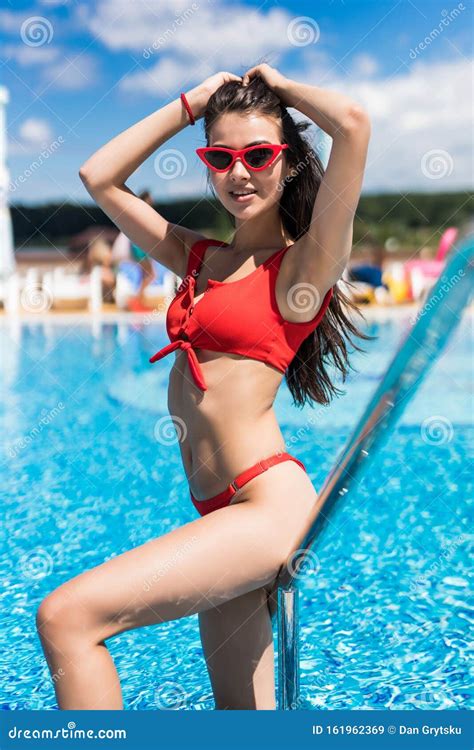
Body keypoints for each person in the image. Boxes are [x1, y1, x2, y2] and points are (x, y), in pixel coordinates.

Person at [37, 65, 371, 710]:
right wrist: (191, 103)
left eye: (258, 154)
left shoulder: (304, 265)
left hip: (264, 507)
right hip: (220, 509)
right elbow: (98, 177)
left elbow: (354, 125)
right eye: (221, 157)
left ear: (290, 162)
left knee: (68, 619)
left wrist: (277, 83)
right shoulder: (200, 258)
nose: (239, 172)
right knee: (240, 720)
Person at [111, 189, 157, 311]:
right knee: (150, 274)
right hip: (136, 247)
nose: (153, 202)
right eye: (151, 199)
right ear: (146, 200)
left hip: (135, 247)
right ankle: (136, 301)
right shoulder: (142, 213)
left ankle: (138, 301)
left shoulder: (136, 212)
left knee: (146, 275)